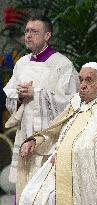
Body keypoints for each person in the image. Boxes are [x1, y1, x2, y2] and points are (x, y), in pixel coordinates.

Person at [19, 62, 97, 205]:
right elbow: (56, 129)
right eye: (81, 80)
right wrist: (36, 140)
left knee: (53, 197)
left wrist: (67, 156)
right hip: (65, 165)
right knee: (30, 194)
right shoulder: (77, 103)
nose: (82, 85)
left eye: (89, 80)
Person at [3, 14, 79, 199]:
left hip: (49, 139)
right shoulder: (21, 63)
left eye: (34, 31)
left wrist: (36, 94)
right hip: (24, 135)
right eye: (27, 31)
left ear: (47, 36)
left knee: (44, 193)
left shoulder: (62, 65)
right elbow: (10, 96)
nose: (28, 35)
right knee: (23, 188)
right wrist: (19, 97)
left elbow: (71, 103)